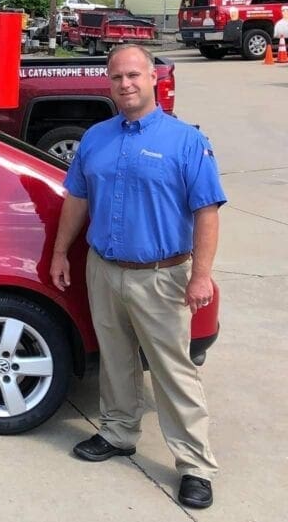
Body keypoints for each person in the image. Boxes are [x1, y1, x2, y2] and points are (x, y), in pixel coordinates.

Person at [49, 44, 224, 510]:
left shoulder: (186, 141)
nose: (124, 84)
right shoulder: (96, 138)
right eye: (116, 77)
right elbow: (77, 199)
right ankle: (119, 433)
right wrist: (62, 252)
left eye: (133, 75)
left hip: (162, 276)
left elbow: (207, 211)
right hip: (104, 270)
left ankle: (194, 465)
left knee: (173, 371)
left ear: (152, 78)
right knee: (116, 359)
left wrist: (201, 276)